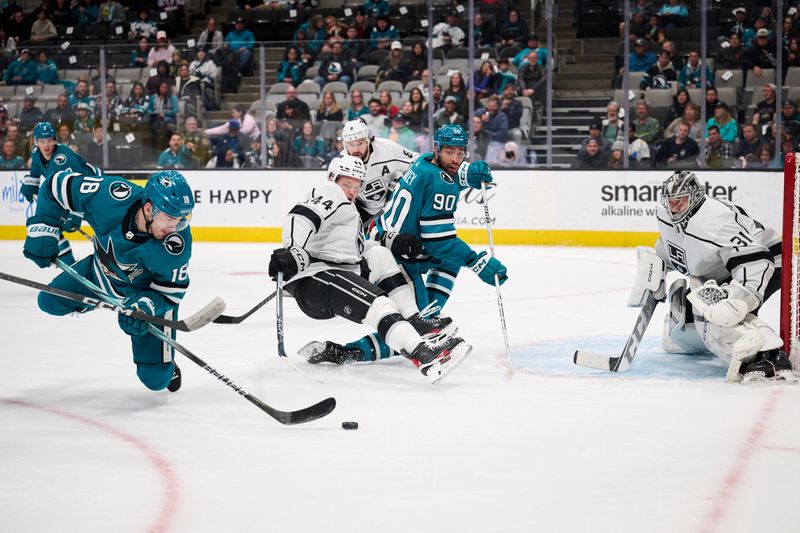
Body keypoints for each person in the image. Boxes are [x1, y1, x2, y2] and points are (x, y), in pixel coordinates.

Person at [268, 155, 472, 383]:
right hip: (317, 280)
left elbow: (357, 247)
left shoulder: (349, 209)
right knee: (380, 305)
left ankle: (414, 320)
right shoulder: (330, 191)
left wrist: (390, 241)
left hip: (334, 272)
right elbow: (301, 217)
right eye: (347, 184)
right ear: (332, 178)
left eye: (357, 186)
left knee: (378, 256)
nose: (352, 191)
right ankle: (423, 354)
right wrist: (295, 251)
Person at [22, 169, 194, 392]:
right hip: (98, 274)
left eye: (182, 219)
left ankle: (167, 367)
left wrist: (145, 306)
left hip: (140, 297)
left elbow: (169, 295)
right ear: (150, 208)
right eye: (171, 218)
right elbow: (55, 185)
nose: (176, 227)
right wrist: (44, 225)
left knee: (155, 380)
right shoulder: (110, 195)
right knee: (48, 302)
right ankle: (93, 301)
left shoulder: (176, 245)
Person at [631, 171, 792, 382]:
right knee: (700, 313)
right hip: (723, 267)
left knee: (724, 314)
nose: (674, 208)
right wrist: (658, 267)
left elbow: (757, 261)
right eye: (670, 202)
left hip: (766, 261)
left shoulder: (715, 221)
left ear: (696, 197)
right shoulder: (666, 212)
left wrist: (738, 298)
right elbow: (674, 241)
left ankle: (770, 356)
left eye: (680, 202)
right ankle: (694, 321)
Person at [21, 121, 102, 264]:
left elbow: (81, 185)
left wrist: (75, 214)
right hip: (66, 193)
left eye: (49, 141)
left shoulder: (64, 159)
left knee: (101, 226)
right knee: (52, 227)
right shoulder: (35, 153)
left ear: (55, 140)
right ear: (36, 142)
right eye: (41, 141)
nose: (46, 146)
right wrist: (31, 185)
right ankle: (70, 265)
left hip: (95, 190)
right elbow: (35, 170)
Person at [338, 118, 418, 225]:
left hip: (391, 202)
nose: (356, 150)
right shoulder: (341, 163)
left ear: (368, 140)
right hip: (363, 210)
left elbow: (417, 162)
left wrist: (401, 184)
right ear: (345, 145)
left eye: (360, 143)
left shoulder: (387, 148)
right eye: (351, 145)